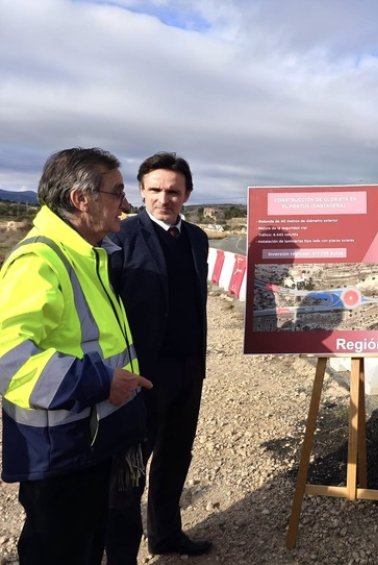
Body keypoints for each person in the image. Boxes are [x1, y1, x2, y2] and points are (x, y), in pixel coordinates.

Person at [0, 147, 153, 564]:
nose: (126, 204)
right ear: (80, 199)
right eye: (117, 192)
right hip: (61, 454)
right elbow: (8, 362)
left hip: (91, 442)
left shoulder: (90, 255)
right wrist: (102, 381)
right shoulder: (38, 261)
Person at [104, 152, 210, 561]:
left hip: (187, 370)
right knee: (129, 471)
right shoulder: (122, 238)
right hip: (140, 374)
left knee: (175, 457)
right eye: (155, 190)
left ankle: (166, 535)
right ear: (142, 191)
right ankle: (120, 553)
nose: (164, 198)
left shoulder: (197, 238)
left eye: (173, 191)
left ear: (186, 194)